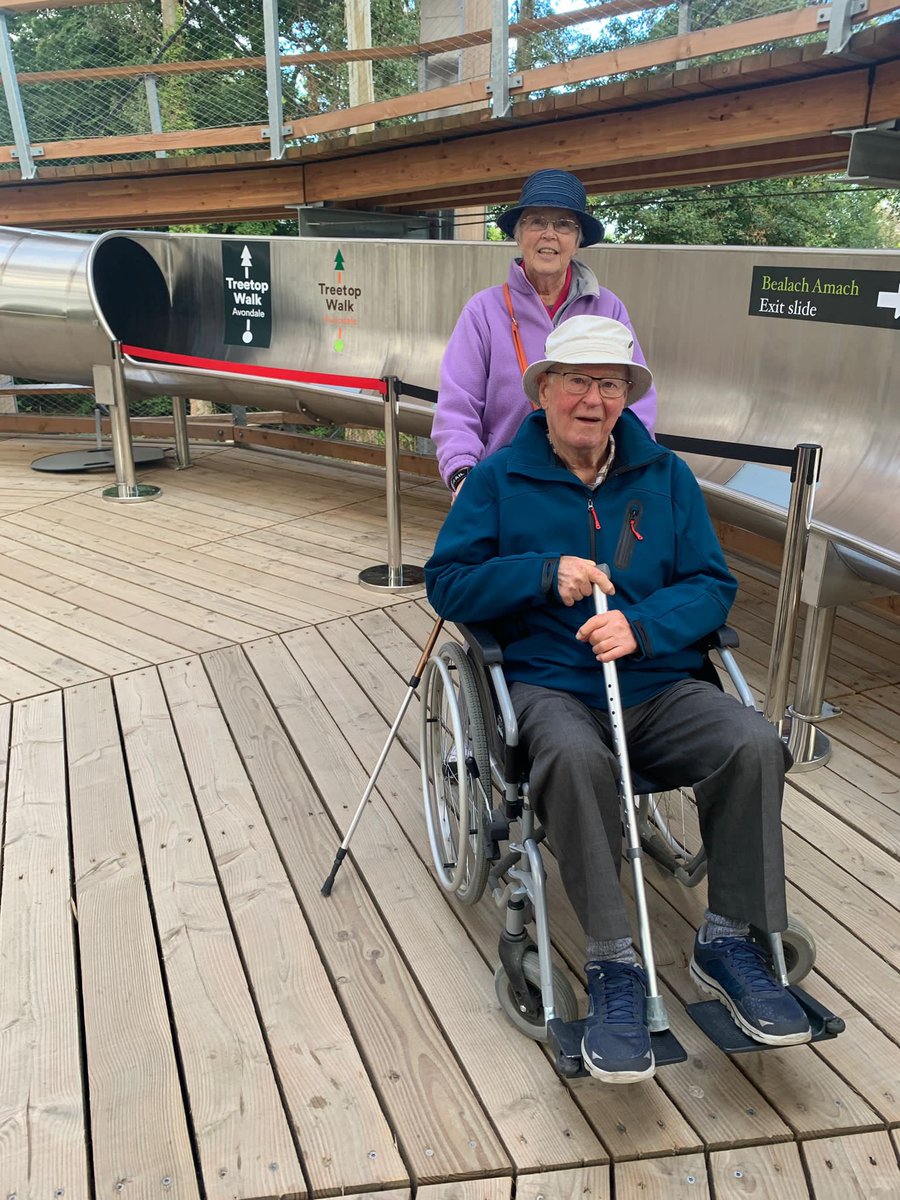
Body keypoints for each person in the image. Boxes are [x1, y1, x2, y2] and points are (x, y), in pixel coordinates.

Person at [425, 315, 811, 1084]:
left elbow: (712, 585)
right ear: (545, 391)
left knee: (753, 744)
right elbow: (449, 581)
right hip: (552, 685)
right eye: (577, 381)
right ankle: (613, 961)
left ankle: (731, 938)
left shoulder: (664, 475)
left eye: (609, 384)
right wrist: (540, 573)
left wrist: (644, 625)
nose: (593, 400)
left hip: (658, 683)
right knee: (570, 756)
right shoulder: (501, 478)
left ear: (627, 396)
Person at [432, 168, 657, 496]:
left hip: (590, 491)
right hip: (504, 491)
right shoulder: (483, 311)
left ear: (577, 242)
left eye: (564, 224)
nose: (549, 234)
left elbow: (637, 404)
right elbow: (457, 406)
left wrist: (626, 475)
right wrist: (464, 477)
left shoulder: (609, 309)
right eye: (536, 221)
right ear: (519, 234)